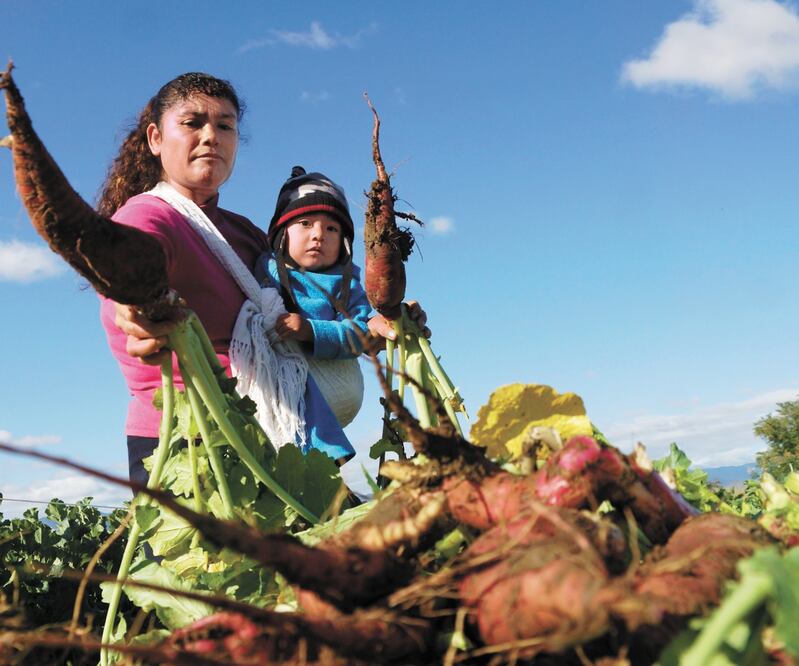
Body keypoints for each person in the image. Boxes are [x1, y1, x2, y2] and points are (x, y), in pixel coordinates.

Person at [97, 72, 424, 486]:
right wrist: (133, 307)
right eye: (192, 123)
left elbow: (312, 309)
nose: (211, 136)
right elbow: (130, 260)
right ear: (155, 139)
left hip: (269, 434)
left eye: (225, 126)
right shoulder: (147, 215)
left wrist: (384, 321)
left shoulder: (246, 234)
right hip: (188, 442)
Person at [257, 166, 371, 429]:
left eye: (331, 228)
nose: (319, 235)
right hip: (276, 390)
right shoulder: (265, 269)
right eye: (305, 224)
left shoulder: (346, 283)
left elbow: (360, 333)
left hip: (328, 393)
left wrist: (311, 330)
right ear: (282, 233)